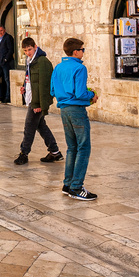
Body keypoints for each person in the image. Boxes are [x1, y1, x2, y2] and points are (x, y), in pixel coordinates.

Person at [50, 37, 98, 201]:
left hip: (64, 109)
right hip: (77, 110)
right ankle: (76, 187)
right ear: (76, 52)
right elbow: (80, 93)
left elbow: (52, 90)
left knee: (72, 147)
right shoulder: (79, 68)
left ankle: (68, 184)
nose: (83, 53)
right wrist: (92, 95)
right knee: (83, 147)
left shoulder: (58, 67)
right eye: (82, 50)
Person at [14, 38, 62, 165]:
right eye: (25, 51)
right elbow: (31, 79)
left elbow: (44, 85)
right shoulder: (30, 60)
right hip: (32, 98)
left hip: (37, 101)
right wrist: (24, 87)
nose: (28, 52)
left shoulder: (42, 62)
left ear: (35, 46)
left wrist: (39, 104)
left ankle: (24, 153)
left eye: (29, 49)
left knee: (29, 126)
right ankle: (55, 151)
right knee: (40, 126)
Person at [0, 25, 15, 104]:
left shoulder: (8, 38)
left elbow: (11, 50)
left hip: (5, 63)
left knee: (7, 79)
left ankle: (7, 97)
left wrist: (5, 59)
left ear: (4, 30)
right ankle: (0, 95)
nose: (0, 32)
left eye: (1, 30)